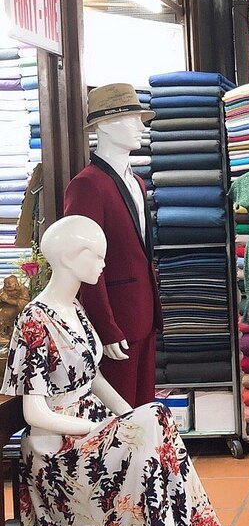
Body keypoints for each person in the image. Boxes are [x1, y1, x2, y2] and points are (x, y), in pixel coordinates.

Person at [2, 215, 249, 526]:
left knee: (156, 448)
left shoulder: (76, 311)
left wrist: (129, 418)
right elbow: (33, 414)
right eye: (94, 255)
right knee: (156, 425)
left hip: (93, 436)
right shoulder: (34, 321)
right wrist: (100, 427)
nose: (104, 264)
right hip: (59, 457)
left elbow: (95, 378)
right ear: (65, 257)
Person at [64, 83, 161, 407]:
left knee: (142, 411)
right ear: (104, 124)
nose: (140, 126)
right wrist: (104, 327)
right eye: (130, 118)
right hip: (116, 319)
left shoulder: (137, 182)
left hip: (143, 312)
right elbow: (82, 262)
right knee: (118, 419)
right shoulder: (87, 185)